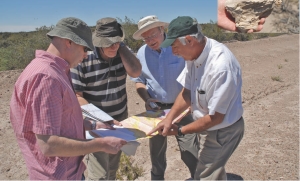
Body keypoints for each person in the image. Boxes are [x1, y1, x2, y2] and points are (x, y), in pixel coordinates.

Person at [9, 17, 127, 180]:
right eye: (85, 48)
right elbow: (49, 145)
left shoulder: (55, 71)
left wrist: (93, 124)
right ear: (68, 42)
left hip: (69, 172)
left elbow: (63, 122)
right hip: (58, 175)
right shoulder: (46, 78)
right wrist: (102, 144)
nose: (86, 55)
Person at [148, 16, 245, 180]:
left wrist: (179, 130)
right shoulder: (193, 55)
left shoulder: (221, 67)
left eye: (174, 46)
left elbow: (215, 118)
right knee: (213, 170)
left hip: (224, 129)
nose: (173, 52)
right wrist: (169, 118)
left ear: (189, 40)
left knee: (204, 175)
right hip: (209, 124)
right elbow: (187, 92)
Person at [71, 17, 142, 180]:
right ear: (98, 41)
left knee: (112, 169)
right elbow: (77, 96)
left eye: (117, 41)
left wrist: (122, 46)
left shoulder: (122, 52)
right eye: (109, 42)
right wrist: (103, 119)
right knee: (99, 175)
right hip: (96, 125)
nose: (114, 45)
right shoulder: (84, 58)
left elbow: (136, 72)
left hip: (119, 122)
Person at [131, 15, 199, 180]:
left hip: (183, 109)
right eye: (146, 37)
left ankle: (199, 177)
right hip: (157, 112)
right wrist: (146, 98)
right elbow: (139, 82)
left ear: (163, 30)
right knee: (156, 156)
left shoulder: (178, 46)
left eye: (153, 34)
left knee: (191, 153)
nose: (150, 40)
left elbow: (195, 75)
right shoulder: (141, 53)